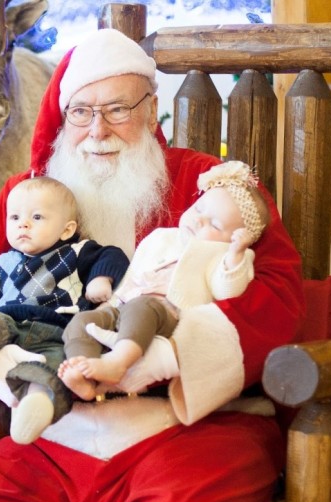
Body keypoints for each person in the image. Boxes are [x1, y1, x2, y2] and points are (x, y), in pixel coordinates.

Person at [0, 28, 305, 502]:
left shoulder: (212, 189)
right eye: (81, 112)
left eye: (118, 110)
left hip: (190, 429)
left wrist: (159, 359)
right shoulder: (33, 198)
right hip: (59, 433)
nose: (97, 130)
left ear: (152, 111)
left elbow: (278, 295)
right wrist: (5, 367)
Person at [0, 176, 129, 443]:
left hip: (57, 327)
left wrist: (100, 279)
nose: (23, 224)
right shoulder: (1, 263)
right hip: (7, 320)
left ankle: (36, 406)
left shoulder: (78, 251)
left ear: (67, 230)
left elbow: (112, 255)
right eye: (14, 218)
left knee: (57, 366)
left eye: (37, 217)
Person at [60, 160, 270, 400]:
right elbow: (133, 276)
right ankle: (84, 373)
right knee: (82, 320)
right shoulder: (161, 237)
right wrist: (111, 303)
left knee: (143, 307)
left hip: (169, 317)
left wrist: (236, 254)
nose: (199, 221)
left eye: (215, 224)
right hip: (126, 307)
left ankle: (117, 362)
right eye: (199, 209)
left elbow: (229, 291)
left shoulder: (220, 255)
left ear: (232, 239)